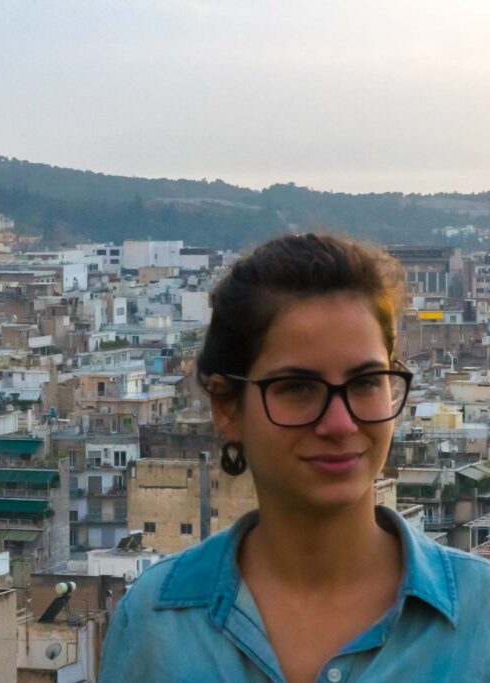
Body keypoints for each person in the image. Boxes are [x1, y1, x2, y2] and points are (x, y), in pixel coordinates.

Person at [99, 233, 490, 682]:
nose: (340, 423)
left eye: (365, 383)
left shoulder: (479, 621)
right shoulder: (156, 625)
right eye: (298, 389)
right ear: (227, 406)